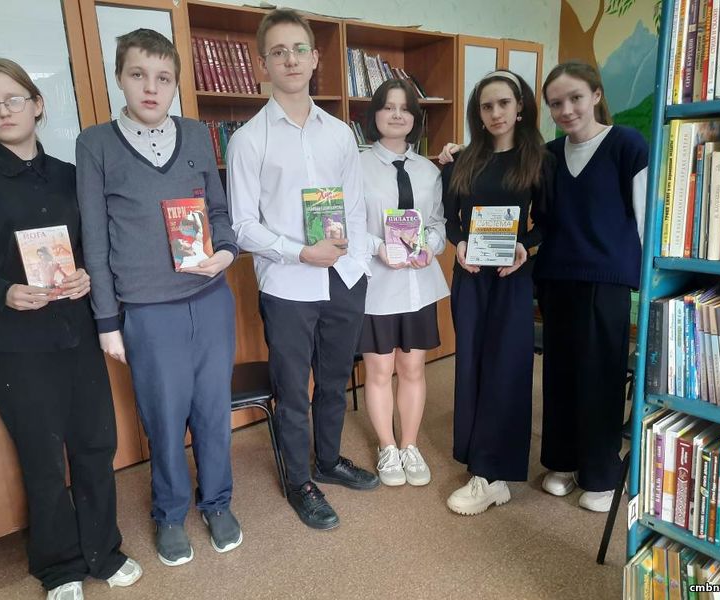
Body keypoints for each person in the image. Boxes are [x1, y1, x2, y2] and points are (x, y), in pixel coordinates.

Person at [0, 57, 142, 600]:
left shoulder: (69, 175)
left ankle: (104, 551)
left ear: (37, 104)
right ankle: (58, 567)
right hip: (17, 344)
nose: (3, 110)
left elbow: (89, 247)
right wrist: (0, 291)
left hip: (77, 333)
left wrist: (84, 274)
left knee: (96, 446)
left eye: (14, 99)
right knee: (42, 459)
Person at [76, 29, 241, 565]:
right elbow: (95, 241)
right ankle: (169, 513)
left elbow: (218, 209)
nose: (151, 87)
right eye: (138, 75)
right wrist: (107, 320)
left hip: (210, 297)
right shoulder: (95, 144)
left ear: (175, 84)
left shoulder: (195, 135)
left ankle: (217, 502)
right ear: (119, 78)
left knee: (213, 411)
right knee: (164, 418)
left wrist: (228, 250)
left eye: (163, 78)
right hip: (147, 309)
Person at [227, 8, 378, 531]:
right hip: (288, 284)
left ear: (315, 59)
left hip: (343, 279)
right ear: (263, 65)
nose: (290, 60)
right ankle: (299, 482)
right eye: (278, 52)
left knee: (334, 380)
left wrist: (356, 265)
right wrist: (299, 253)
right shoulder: (249, 139)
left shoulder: (340, 133)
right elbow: (242, 226)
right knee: (293, 391)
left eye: (298, 50)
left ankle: (328, 460)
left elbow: (354, 208)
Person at [536, 61, 646, 512]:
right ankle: (562, 462)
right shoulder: (548, 155)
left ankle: (600, 472)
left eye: (575, 98)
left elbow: (645, 218)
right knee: (560, 374)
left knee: (601, 376)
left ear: (596, 95)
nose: (566, 109)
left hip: (607, 282)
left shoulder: (627, 144)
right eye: (556, 103)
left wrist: (651, 281)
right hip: (556, 279)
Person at [440, 70, 550, 515]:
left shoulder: (539, 160)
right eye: (487, 106)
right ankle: (479, 464)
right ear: (478, 113)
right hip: (470, 276)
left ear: (520, 106)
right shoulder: (463, 160)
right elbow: (450, 220)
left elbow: (548, 221)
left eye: (504, 103)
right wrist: (458, 243)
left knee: (507, 368)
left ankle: (491, 473)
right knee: (471, 366)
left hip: (511, 276)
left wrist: (526, 246)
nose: (496, 113)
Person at [357, 79, 449, 486]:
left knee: (412, 367)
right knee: (379, 369)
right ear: (375, 114)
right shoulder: (357, 167)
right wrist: (378, 247)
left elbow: (438, 225)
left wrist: (431, 246)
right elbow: (348, 226)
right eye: (388, 107)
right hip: (377, 285)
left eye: (405, 108)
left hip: (418, 285)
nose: (397, 115)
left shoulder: (428, 171)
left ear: (415, 117)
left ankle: (409, 444)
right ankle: (387, 446)